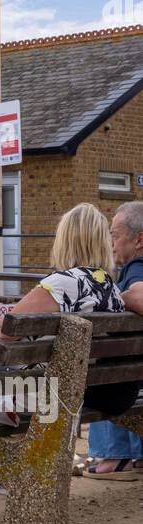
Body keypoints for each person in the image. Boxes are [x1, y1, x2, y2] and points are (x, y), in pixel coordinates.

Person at [0, 202, 127, 489]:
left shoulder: (61, 283)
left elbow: (4, 334)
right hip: (64, 388)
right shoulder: (112, 290)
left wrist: (1, 319)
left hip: (23, 388)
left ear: (65, 239)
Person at [85, 202, 143, 478]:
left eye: (116, 235)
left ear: (139, 239)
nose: (112, 243)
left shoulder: (136, 270)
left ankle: (113, 456)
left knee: (98, 374)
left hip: (119, 388)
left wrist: (117, 298)